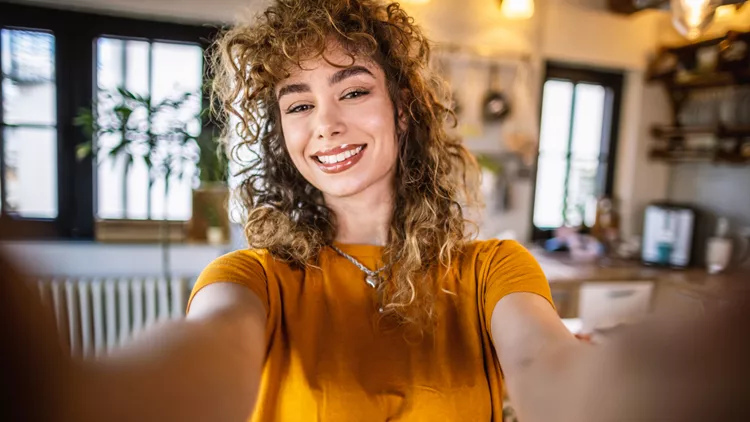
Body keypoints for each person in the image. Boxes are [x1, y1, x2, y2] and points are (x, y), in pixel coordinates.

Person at [1, 1, 749, 422]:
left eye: (351, 90)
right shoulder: (254, 280)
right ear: (280, 135)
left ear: (404, 108)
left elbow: (549, 370)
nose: (323, 124)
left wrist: (664, 383)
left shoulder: (495, 270)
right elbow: (206, 359)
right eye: (298, 105)